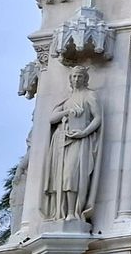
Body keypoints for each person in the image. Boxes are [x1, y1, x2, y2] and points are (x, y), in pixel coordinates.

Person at [42, 66, 103, 223]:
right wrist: (67, 113)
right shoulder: (67, 99)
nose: (76, 79)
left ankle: (72, 212)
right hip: (60, 141)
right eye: (74, 76)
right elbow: (51, 119)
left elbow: (97, 118)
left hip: (79, 140)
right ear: (70, 79)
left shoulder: (89, 95)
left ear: (85, 79)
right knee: (60, 178)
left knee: (71, 176)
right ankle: (59, 213)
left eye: (79, 77)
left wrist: (84, 133)